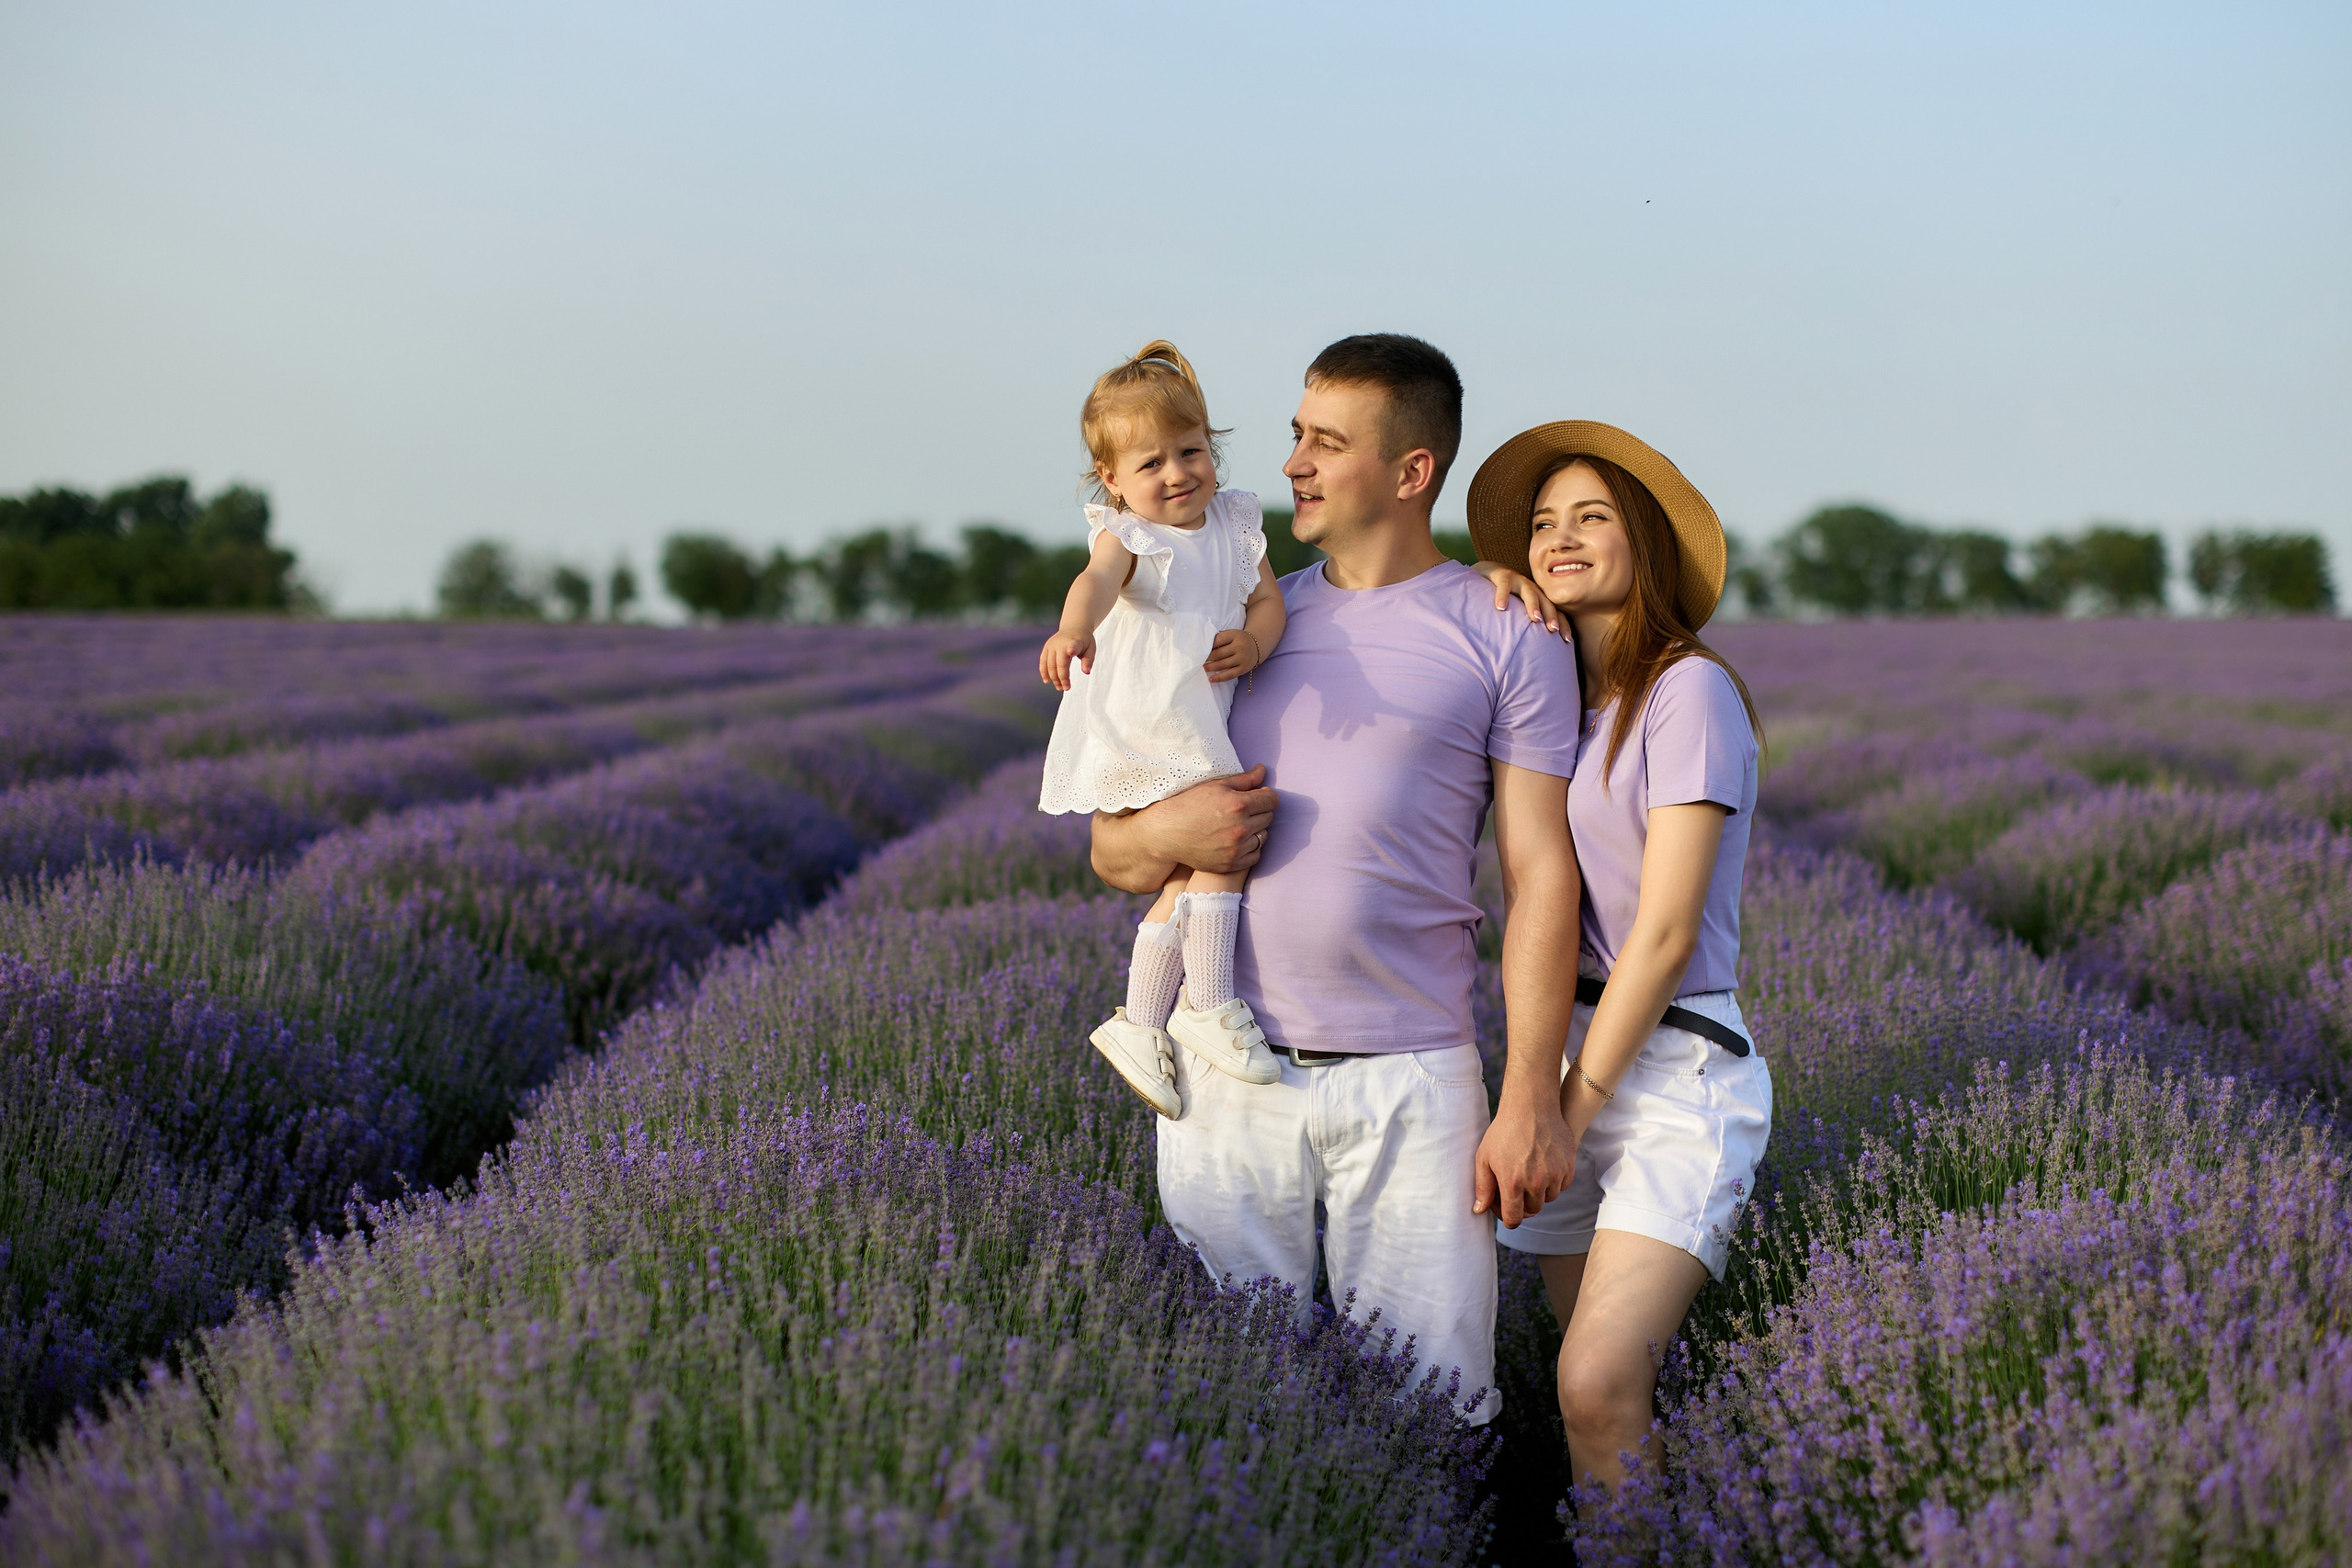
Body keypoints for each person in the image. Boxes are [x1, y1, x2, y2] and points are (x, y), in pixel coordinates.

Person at [1090, 333, 1583, 1424]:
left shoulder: (1506, 629)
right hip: (1225, 1071)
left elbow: (1542, 875)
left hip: (1413, 1081)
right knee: (1236, 1410)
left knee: (1435, 1411)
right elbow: (1115, 855)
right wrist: (1178, 824)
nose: (1295, 464)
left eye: (1326, 442)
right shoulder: (1230, 615)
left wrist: (1530, 1096)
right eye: (1295, 435)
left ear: (1412, 473)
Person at [1463, 421, 1770, 1493]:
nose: (1562, 537)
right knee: (1587, 1386)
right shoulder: (1552, 702)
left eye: (1591, 517)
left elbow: (1667, 931)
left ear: (1643, 540)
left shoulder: (1686, 691)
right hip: (1560, 1049)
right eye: (1542, 525)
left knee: (1597, 1382)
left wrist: (1563, 1111)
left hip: (1673, 1069)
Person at [1039, 341, 1290, 1115]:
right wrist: (1071, 631)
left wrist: (1255, 643)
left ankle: (1143, 1019)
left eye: (1191, 452)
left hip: (1196, 716)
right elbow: (1095, 584)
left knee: (1200, 862)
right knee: (1227, 838)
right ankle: (1208, 1003)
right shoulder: (1131, 536)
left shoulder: (1236, 521)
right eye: (1151, 464)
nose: (1177, 474)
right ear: (1111, 481)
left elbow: (1267, 604)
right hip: (1150, 722)